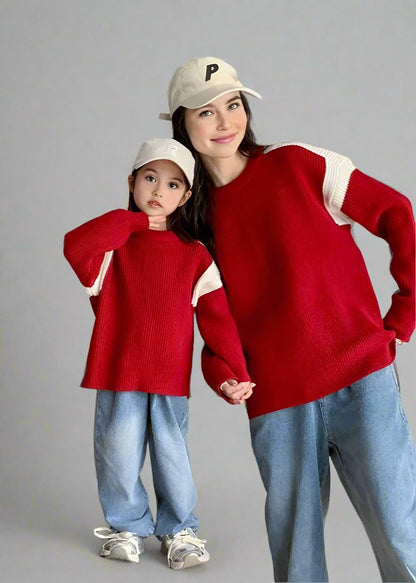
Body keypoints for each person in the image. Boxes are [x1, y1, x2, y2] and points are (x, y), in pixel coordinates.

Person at [159, 57, 416, 582]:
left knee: (401, 531)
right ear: (182, 125)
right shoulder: (191, 225)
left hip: (361, 377)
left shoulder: (299, 163)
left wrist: (404, 314)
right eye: (206, 113)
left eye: (233, 104)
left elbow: (397, 213)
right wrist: (223, 373)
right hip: (276, 400)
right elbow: (211, 322)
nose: (226, 121)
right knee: (296, 551)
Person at [63, 137, 253, 570]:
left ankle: (178, 529)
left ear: (186, 197)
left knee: (172, 452)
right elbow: (75, 246)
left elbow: (217, 319)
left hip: (169, 373)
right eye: (150, 178)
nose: (157, 192)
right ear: (132, 181)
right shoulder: (114, 246)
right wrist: (131, 222)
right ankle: (126, 527)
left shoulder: (194, 254)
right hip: (117, 368)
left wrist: (232, 372)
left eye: (172, 185)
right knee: (118, 448)